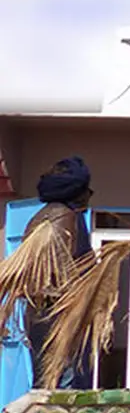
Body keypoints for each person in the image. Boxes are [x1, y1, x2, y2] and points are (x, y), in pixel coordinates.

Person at [0, 157, 96, 389]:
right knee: (62, 392)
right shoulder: (63, 218)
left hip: (45, 318)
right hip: (59, 320)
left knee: (49, 385)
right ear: (76, 192)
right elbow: (60, 279)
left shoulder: (43, 217)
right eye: (86, 190)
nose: (89, 195)